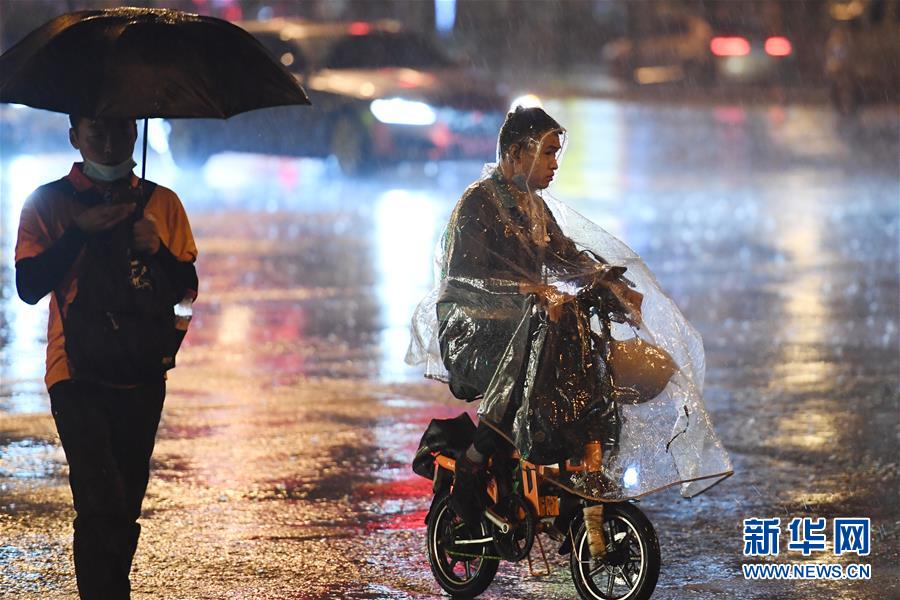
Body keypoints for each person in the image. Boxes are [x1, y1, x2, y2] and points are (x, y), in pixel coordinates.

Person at [14, 115, 198, 599]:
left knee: (125, 503)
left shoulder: (162, 203)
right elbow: (29, 286)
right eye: (97, 132)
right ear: (75, 136)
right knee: (98, 499)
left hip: (142, 370)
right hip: (74, 372)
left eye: (120, 131)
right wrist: (78, 232)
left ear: (136, 134)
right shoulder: (48, 203)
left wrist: (156, 249)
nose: (111, 143)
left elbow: (187, 290)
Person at [433, 107, 642, 526]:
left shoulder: (534, 209)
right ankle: (474, 464)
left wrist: (610, 284)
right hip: (474, 332)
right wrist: (530, 292)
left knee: (585, 373)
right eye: (546, 153)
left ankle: (572, 481)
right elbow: (465, 282)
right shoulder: (477, 205)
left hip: (527, 326)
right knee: (529, 370)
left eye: (555, 153)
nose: (555, 164)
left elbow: (568, 258)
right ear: (513, 153)